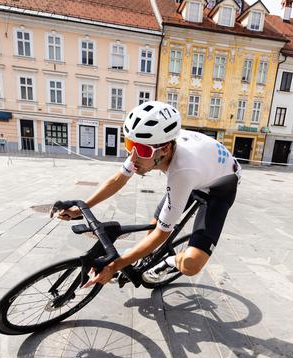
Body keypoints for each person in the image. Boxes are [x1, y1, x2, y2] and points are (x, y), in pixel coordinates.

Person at [56, 100, 241, 286]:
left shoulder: (182, 172)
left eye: (142, 150)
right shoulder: (146, 147)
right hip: (202, 169)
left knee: (192, 265)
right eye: (129, 143)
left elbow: (162, 233)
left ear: (166, 148)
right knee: (152, 227)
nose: (133, 157)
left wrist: (113, 267)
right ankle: (142, 259)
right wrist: (80, 209)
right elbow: (117, 180)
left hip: (220, 186)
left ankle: (168, 262)